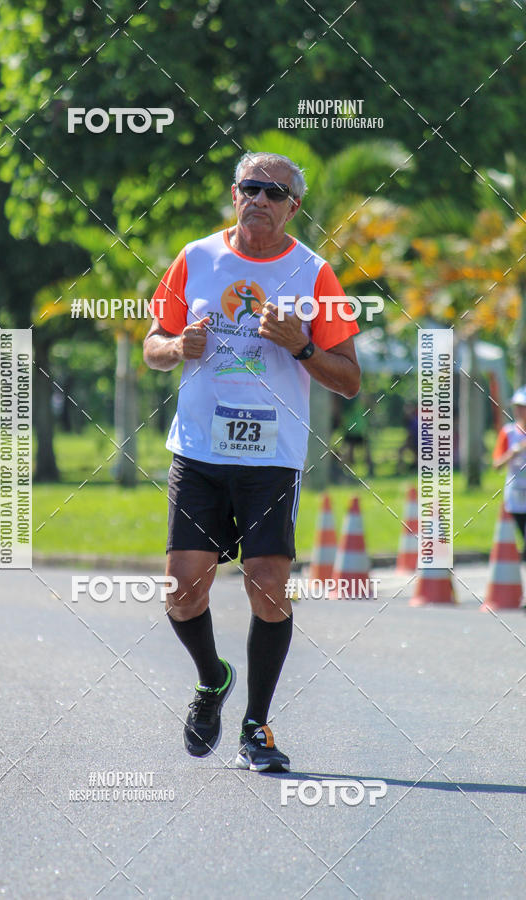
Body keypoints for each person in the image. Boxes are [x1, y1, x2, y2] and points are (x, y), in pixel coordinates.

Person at [143, 151, 361, 772]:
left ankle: (256, 727)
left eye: (274, 192)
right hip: (200, 451)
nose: (259, 200)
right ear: (233, 195)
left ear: (294, 206)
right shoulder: (195, 259)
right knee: (183, 592)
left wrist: (303, 346)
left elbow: (348, 380)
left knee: (268, 588)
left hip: (270, 459)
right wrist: (175, 345)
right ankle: (212, 680)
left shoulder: (315, 274)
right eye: (250, 189)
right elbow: (153, 347)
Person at [492, 386, 526, 560]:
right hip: (515, 495)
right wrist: (513, 453)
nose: (520, 411)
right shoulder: (509, 432)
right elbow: (496, 464)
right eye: (518, 407)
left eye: (523, 407)